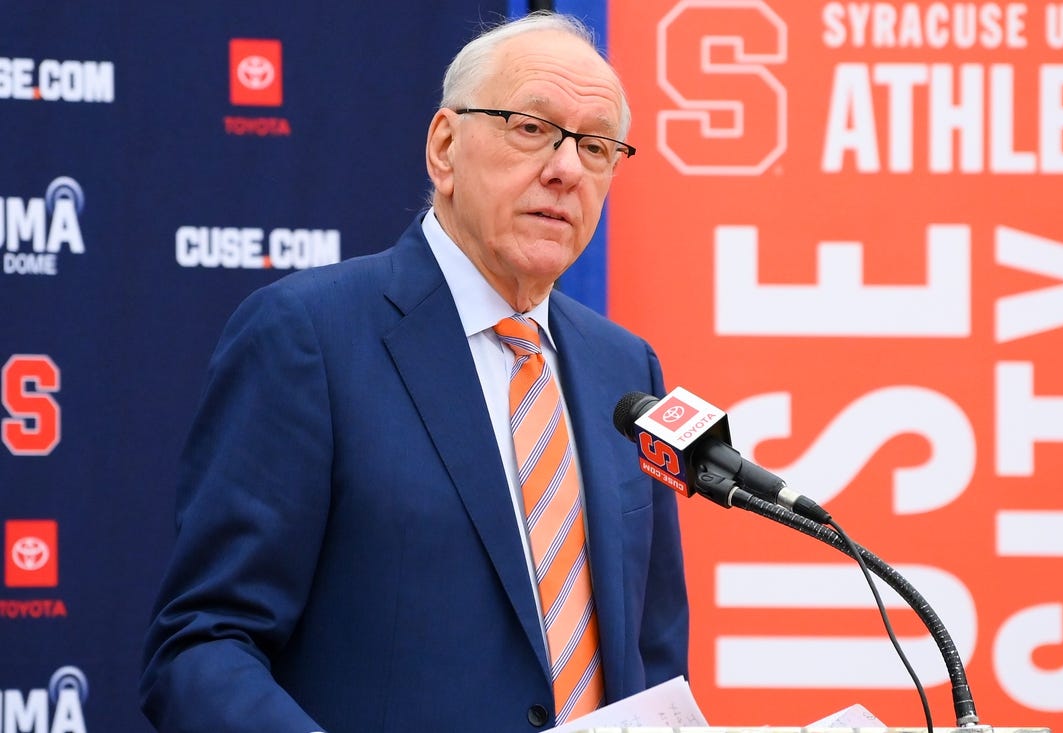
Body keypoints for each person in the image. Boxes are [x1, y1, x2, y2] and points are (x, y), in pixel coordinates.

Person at [140, 11, 688, 733]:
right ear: (444, 147)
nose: (565, 169)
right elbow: (202, 645)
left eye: (595, 146)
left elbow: (651, 661)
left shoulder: (627, 368)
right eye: (531, 128)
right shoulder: (310, 337)